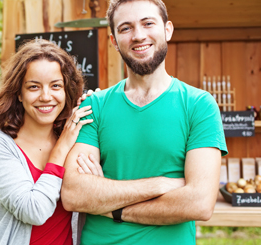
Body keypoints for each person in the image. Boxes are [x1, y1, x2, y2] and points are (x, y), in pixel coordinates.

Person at [61, 0, 228, 244]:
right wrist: (160, 185)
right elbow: (75, 195)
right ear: (114, 41)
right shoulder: (93, 106)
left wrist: (114, 209)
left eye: (148, 23)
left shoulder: (199, 105)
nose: (138, 36)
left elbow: (199, 203)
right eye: (125, 28)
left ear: (167, 30)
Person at [0, 39, 93, 244]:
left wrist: (97, 106)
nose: (46, 96)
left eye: (56, 86)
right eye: (34, 87)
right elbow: (33, 211)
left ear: (66, 91)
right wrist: (61, 149)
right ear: (19, 94)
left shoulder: (75, 138)